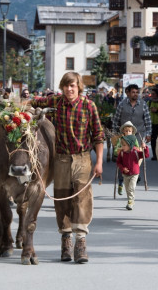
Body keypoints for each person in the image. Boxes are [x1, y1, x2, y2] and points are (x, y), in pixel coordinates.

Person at [29, 71, 104, 264]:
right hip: (61, 159)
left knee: (81, 198)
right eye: (66, 86)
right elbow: (37, 101)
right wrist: (24, 104)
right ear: (62, 87)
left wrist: (99, 162)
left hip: (82, 158)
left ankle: (81, 242)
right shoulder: (56, 102)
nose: (70, 89)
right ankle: (66, 240)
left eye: (73, 86)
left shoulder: (89, 106)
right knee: (62, 199)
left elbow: (98, 134)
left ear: (79, 87)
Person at [116, 134, 149, 210]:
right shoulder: (122, 153)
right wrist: (122, 168)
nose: (123, 147)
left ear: (130, 145)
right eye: (122, 145)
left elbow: (146, 155)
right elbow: (118, 162)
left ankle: (130, 202)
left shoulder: (136, 152)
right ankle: (131, 200)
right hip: (125, 174)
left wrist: (145, 147)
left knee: (131, 188)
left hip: (134, 174)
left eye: (124, 145)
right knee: (127, 189)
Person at [113, 121, 140, 195]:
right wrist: (119, 150)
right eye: (126, 131)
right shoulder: (120, 139)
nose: (128, 132)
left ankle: (130, 190)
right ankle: (121, 184)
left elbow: (138, 148)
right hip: (123, 158)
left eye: (129, 131)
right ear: (123, 132)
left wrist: (137, 149)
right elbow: (116, 149)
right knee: (122, 173)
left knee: (132, 173)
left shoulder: (134, 139)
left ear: (132, 132)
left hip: (132, 160)